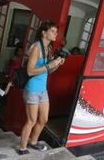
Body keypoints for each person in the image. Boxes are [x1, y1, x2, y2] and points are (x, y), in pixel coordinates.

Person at [17, 20, 65, 155]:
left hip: (42, 89)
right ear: (44, 33)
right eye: (53, 31)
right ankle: (22, 148)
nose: (56, 34)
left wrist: (56, 64)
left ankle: (33, 142)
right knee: (31, 120)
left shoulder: (48, 48)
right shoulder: (36, 48)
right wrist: (50, 65)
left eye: (56, 31)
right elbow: (30, 71)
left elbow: (47, 71)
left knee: (44, 119)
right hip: (32, 89)